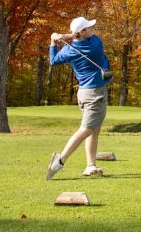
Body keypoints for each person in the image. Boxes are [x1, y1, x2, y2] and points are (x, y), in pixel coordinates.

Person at [45, 16, 113, 180]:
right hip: (95, 94)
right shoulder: (96, 44)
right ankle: (60, 160)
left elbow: (53, 61)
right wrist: (63, 35)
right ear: (82, 31)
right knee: (87, 129)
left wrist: (55, 41)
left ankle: (90, 165)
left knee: (94, 129)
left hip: (83, 92)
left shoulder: (69, 50)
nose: (92, 30)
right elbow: (81, 36)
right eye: (89, 28)